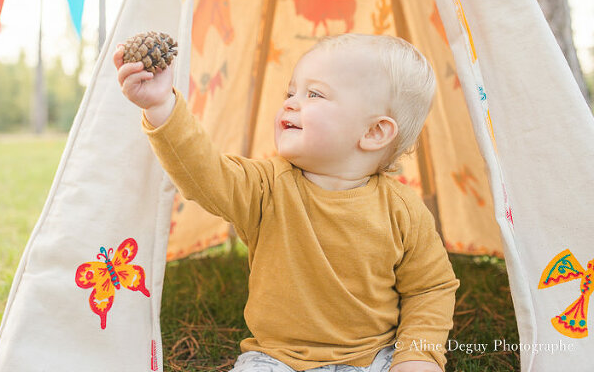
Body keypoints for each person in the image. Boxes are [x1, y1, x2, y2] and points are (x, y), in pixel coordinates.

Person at [114, 33, 460, 372]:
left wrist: (418, 355)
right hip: (276, 359)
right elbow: (205, 174)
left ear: (373, 133)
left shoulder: (403, 210)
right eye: (291, 91)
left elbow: (430, 288)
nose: (290, 102)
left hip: (373, 357)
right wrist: (162, 107)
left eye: (314, 94)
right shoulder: (266, 186)